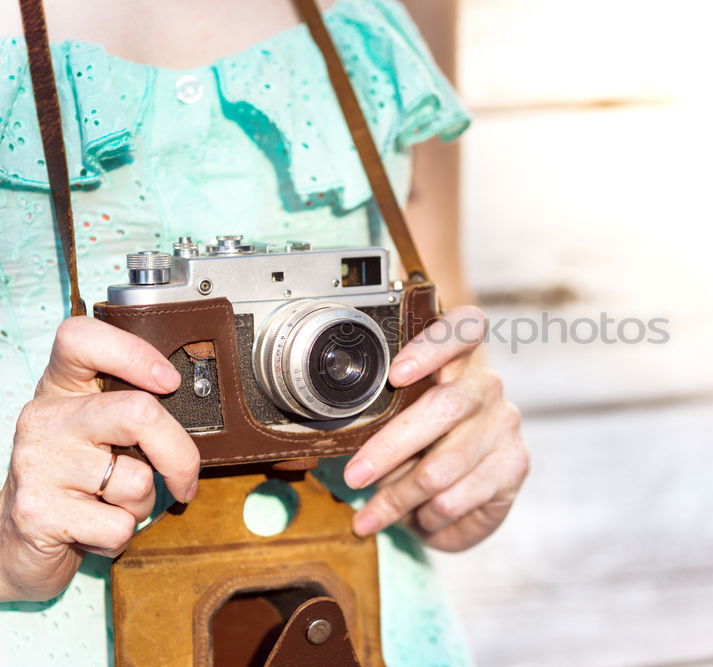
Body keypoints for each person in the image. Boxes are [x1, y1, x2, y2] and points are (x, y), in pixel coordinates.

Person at [0, 0, 529, 663]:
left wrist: (457, 472)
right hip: (42, 617)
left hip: (355, 601)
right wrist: (6, 547)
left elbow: (439, 325)